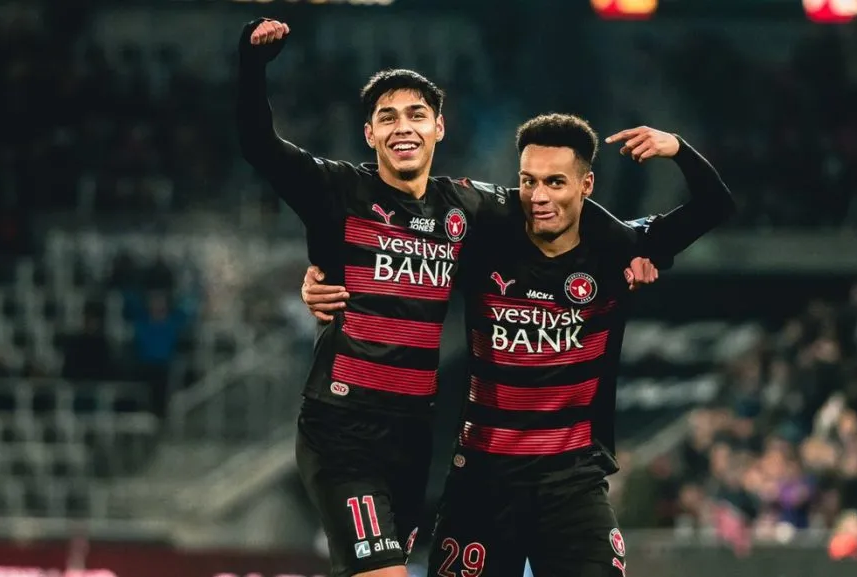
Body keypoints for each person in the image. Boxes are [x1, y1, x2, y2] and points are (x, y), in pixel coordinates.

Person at [238, 19, 656, 577]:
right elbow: (259, 146)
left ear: (439, 127)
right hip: (342, 428)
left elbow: (557, 205)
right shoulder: (336, 190)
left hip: (412, 439)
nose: (402, 127)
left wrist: (629, 251)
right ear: (369, 134)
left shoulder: (467, 206)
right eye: (387, 117)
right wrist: (251, 64)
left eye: (416, 115)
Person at [301, 114, 735, 576]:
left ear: (586, 184)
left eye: (555, 182)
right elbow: (400, 241)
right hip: (483, 482)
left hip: (572, 484)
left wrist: (678, 149)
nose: (539, 197)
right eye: (528, 181)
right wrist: (324, 275)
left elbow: (714, 206)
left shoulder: (619, 248)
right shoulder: (482, 239)